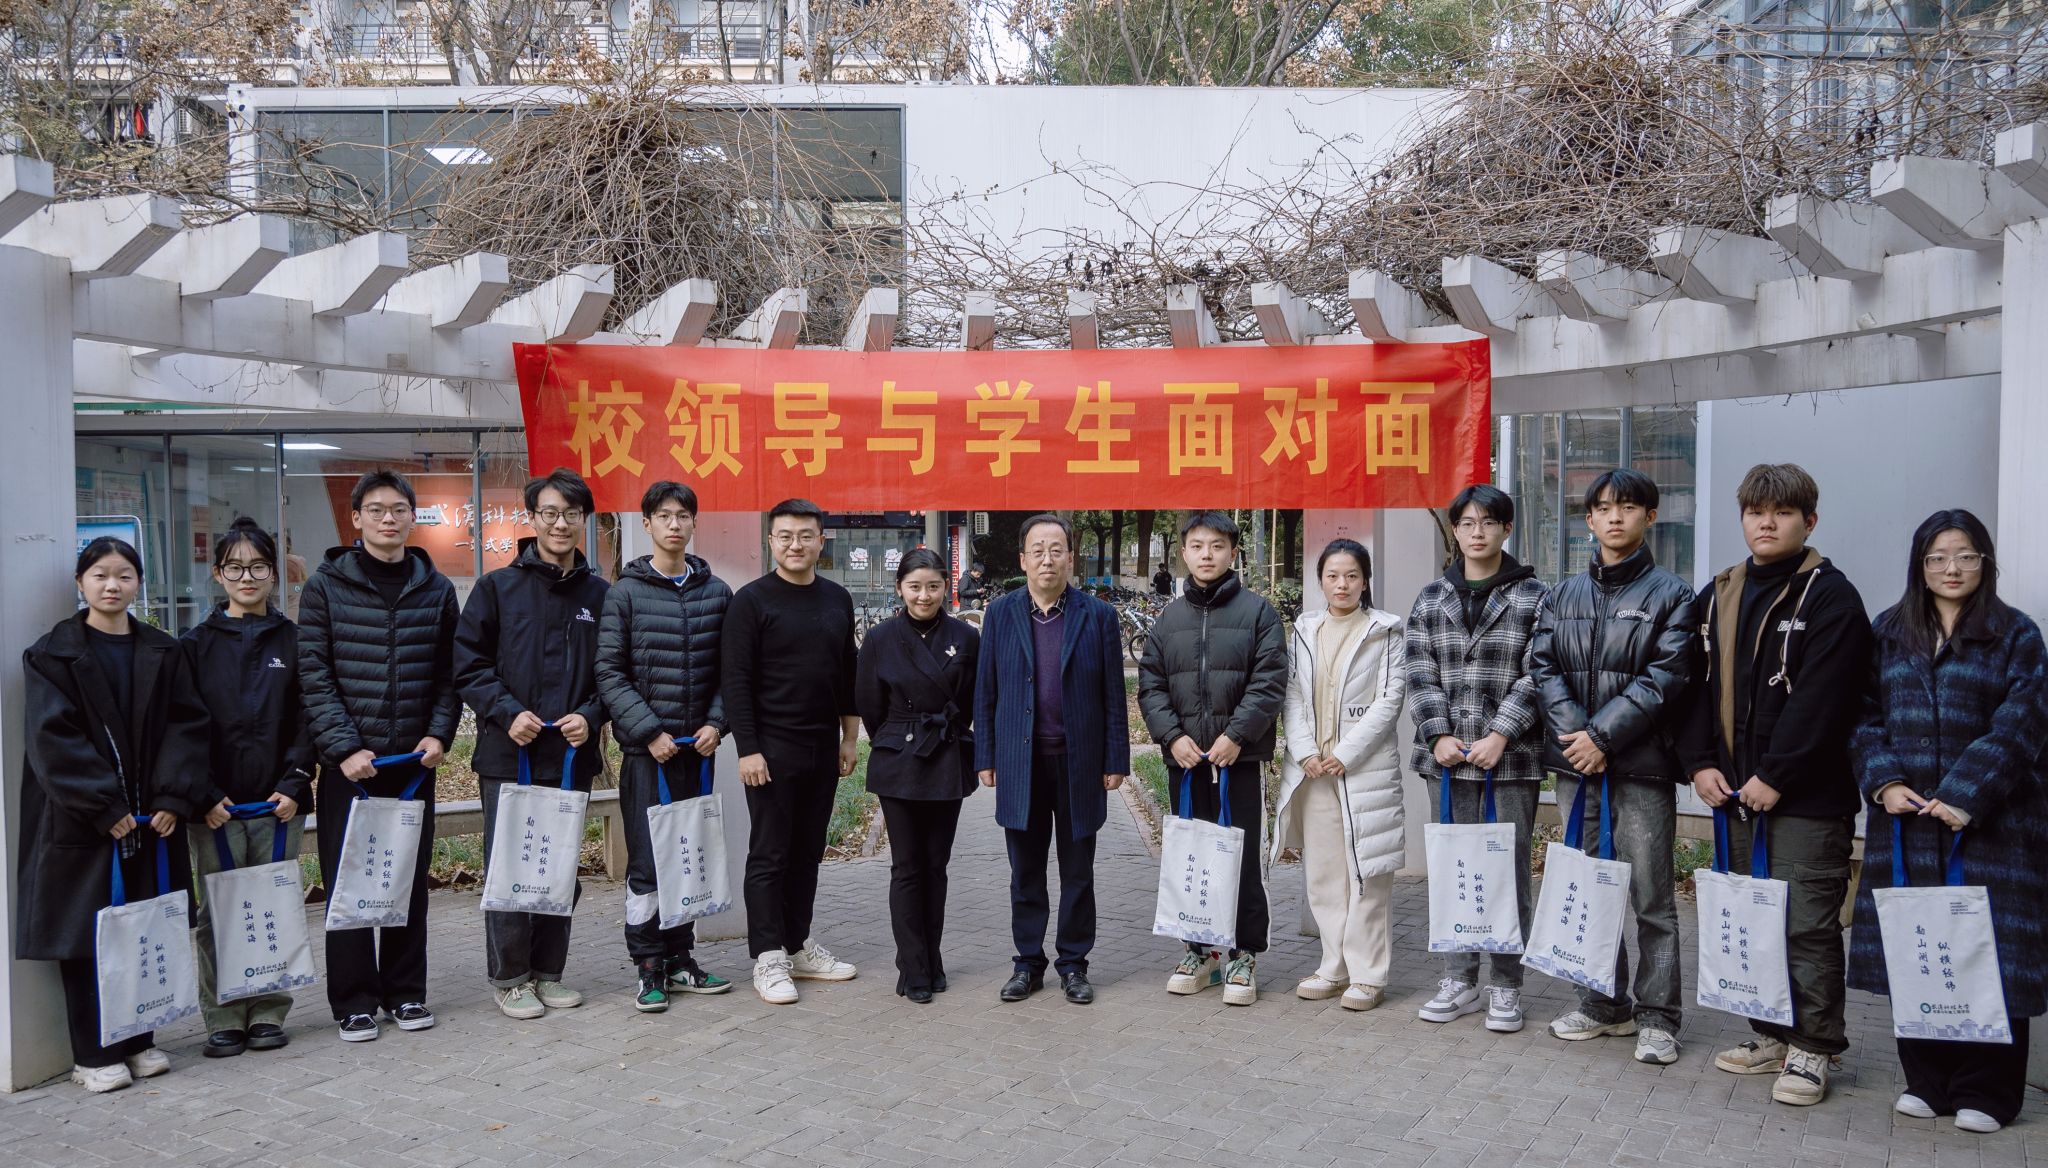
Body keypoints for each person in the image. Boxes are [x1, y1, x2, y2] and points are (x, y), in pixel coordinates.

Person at [1677, 464, 1871, 1106]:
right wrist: (1699, 764)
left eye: (1782, 512)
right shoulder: (1719, 593)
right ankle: (1771, 1034)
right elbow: (1693, 689)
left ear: (1808, 521)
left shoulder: (1831, 597)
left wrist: (1776, 775)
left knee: (1806, 926)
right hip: (1733, 795)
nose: (1767, 523)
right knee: (1753, 920)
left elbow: (1826, 700)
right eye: (1756, 512)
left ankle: (1814, 1047)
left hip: (1806, 801)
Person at [1850, 509, 2046, 1134]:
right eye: (1937, 558)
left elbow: (2023, 723)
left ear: (1985, 561)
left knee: (1989, 953)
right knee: (1920, 945)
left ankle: (1989, 1091)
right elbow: (1860, 714)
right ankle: (1927, 1081)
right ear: (1920, 565)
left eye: (1965, 556)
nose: (1952, 569)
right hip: (1907, 822)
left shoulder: (2016, 634)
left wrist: (1965, 794)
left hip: (1994, 826)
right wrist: (1885, 781)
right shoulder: (1889, 632)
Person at [20, 537, 208, 1092]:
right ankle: (93, 1055)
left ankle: (139, 1040)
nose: (112, 586)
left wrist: (172, 798)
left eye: (124, 575)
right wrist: (104, 804)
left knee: (145, 928)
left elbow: (187, 726)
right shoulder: (51, 655)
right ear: (80, 582)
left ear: (138, 583)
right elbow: (52, 740)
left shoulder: (163, 650)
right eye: (100, 575)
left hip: (152, 822)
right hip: (82, 821)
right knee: (88, 935)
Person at [1526, 467, 1696, 1065]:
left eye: (1628, 507)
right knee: (1588, 884)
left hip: (1641, 767)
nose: (1615, 517)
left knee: (1651, 896)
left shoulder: (1673, 595)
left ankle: (1658, 1017)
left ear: (1650, 516)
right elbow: (1543, 666)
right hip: (1578, 767)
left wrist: (1602, 737)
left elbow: (1666, 678)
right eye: (1603, 508)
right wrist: (1581, 737)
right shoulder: (1563, 594)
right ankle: (1602, 1004)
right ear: (1589, 520)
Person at [299, 469, 460, 1043]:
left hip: (413, 764)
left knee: (407, 878)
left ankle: (405, 992)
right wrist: (343, 748)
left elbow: (450, 673)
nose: (387, 519)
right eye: (376, 509)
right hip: (351, 767)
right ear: (357, 518)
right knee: (349, 880)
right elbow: (314, 674)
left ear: (412, 517)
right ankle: (354, 1001)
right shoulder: (325, 587)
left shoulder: (435, 588)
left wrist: (438, 735)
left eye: (397, 509)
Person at [455, 468, 611, 1020]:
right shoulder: (497, 588)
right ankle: (510, 978)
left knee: (559, 866)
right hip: (509, 755)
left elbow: (613, 673)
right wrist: (507, 713)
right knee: (512, 865)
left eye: (571, 514)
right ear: (533, 518)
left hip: (569, 757)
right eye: (550, 513)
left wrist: (590, 715)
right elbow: (468, 666)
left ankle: (549, 973)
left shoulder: (601, 596)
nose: (560, 523)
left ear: (583, 519)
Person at [1404, 485, 1548, 1033]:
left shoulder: (1535, 596)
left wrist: (1501, 733)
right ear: (1456, 531)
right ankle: (1458, 978)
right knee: (1454, 868)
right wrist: (1437, 733)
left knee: (1507, 870)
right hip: (1445, 761)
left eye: (1488, 522)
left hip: (1510, 760)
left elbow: (1540, 672)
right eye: (1467, 523)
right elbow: (1419, 671)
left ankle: (1506, 984)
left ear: (1506, 529)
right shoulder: (1431, 597)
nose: (1477, 532)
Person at [976, 513, 1128, 1005]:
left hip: (1079, 762)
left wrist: (1115, 758)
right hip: (1021, 763)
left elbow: (1113, 694)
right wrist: (986, 754)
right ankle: (1027, 962)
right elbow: (986, 690)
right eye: (1038, 550)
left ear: (1070, 558)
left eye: (1056, 549)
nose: (1047, 559)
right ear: (1022, 559)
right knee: (1025, 871)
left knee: (1078, 870)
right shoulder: (1000, 614)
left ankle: (1074, 964)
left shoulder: (1098, 616)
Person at [595, 480, 736, 1012]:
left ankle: (681, 960)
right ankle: (649, 966)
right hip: (646, 755)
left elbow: (730, 672)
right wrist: (648, 732)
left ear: (694, 523)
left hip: (697, 753)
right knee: (649, 865)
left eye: (683, 516)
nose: (674, 525)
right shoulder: (625, 593)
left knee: (689, 855)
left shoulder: (716, 593)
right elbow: (610, 673)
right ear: (647, 523)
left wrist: (717, 724)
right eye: (664, 516)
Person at [1139, 511, 1288, 1006]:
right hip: (1185, 762)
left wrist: (1236, 736)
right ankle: (1199, 951)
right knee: (1192, 855)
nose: (1207, 554)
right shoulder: (1168, 619)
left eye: (1218, 546)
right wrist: (1171, 737)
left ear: (1233, 553)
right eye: (1198, 546)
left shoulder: (1258, 613)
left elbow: (1269, 682)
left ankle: (1244, 954)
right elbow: (1151, 685)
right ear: (1184, 552)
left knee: (1241, 857)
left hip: (1237, 762)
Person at [181, 518, 316, 1058]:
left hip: (279, 803)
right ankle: (223, 1014)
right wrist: (203, 794)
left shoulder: (295, 640)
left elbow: (309, 716)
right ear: (218, 574)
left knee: (272, 903)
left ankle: (267, 1010)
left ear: (273, 573)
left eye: (258, 566)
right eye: (235, 567)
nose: (247, 577)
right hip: (215, 807)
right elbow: (182, 727)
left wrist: (296, 781)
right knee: (216, 910)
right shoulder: (194, 646)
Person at [722, 498, 862, 1005]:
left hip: (821, 747)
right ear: (771, 541)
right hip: (770, 750)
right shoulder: (751, 601)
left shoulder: (837, 599)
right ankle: (768, 955)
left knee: (807, 851)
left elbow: (848, 673)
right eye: (785, 536)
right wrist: (748, 749)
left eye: (805, 535)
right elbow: (736, 681)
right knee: (770, 852)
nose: (795, 544)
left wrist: (849, 737)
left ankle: (797, 945)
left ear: (821, 541)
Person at [1275, 539, 1407, 1011]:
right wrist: (1306, 752)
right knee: (1325, 874)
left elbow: (1390, 700)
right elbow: (1291, 695)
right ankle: (1333, 965)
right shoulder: (1304, 630)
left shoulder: (1385, 631)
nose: (1342, 584)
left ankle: (1368, 974)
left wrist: (1346, 753)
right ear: (1320, 581)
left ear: (1365, 581)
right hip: (1314, 772)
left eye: (1352, 575)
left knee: (1368, 873)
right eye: (1332, 576)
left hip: (1364, 771)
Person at [855, 548, 979, 1004]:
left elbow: (972, 700)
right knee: (907, 867)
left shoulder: (966, 637)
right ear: (899, 589)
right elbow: (869, 704)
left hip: (946, 752)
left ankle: (932, 955)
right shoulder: (880, 638)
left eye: (932, 586)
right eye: (914, 586)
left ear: (946, 588)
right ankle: (913, 965)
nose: (923, 595)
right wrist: (898, 738)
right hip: (899, 758)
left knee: (936, 866)